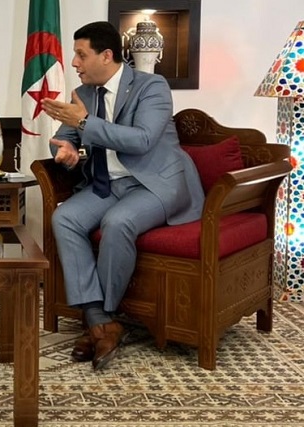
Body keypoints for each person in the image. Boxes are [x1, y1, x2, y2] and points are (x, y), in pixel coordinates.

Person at [41, 21, 204, 370]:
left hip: (155, 184)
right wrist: (65, 149)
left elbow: (142, 140)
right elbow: (65, 136)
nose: (74, 63)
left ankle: (102, 319)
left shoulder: (152, 86)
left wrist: (84, 124)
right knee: (65, 218)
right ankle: (101, 322)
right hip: (107, 184)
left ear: (106, 55)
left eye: (81, 55)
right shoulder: (84, 94)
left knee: (117, 223)